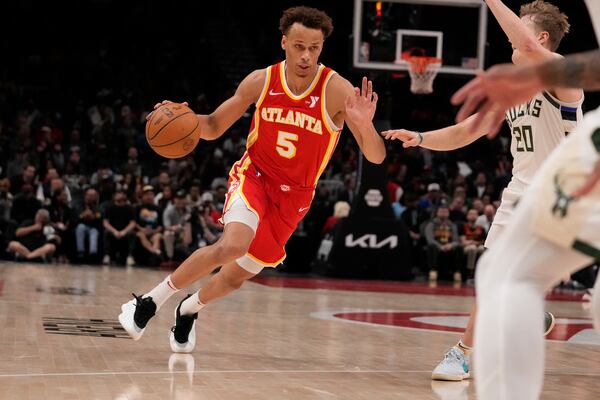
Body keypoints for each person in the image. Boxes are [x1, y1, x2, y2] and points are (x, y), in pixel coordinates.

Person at [118, 6, 385, 353]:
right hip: (254, 176)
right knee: (233, 244)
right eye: (299, 46)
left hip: (295, 198)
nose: (306, 55)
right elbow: (213, 126)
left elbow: (376, 155)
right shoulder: (262, 80)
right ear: (284, 42)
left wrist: (364, 124)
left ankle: (188, 309)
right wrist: (181, 117)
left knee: (236, 275)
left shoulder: (337, 90)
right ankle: (147, 304)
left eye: (314, 48)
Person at [383, 0, 580, 381]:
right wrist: (419, 137)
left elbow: (527, 48)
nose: (509, 40)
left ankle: (475, 344)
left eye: (519, 31)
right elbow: (464, 132)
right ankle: (496, 333)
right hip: (519, 194)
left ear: (539, 38)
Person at [448, 1, 600, 397]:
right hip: (552, 190)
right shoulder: (534, 82)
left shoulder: (555, 71)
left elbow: (533, 50)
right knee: (503, 275)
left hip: (576, 189)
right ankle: (477, 352)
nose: (509, 39)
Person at [103, 190, 136, 266]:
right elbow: (105, 223)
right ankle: (106, 256)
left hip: (125, 231)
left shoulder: (130, 208)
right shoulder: (109, 207)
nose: (119, 195)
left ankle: (130, 257)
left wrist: (124, 232)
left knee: (132, 234)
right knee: (106, 232)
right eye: (118, 193)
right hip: (113, 231)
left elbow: (132, 223)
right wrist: (115, 231)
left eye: (121, 193)